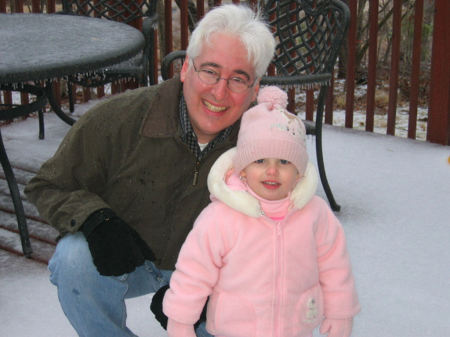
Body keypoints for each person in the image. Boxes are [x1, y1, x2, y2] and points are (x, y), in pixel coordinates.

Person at [24, 4, 275, 337]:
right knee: (74, 260)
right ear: (186, 68)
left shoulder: (268, 144)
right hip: (130, 262)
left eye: (238, 79)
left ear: (255, 89)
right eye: (209, 71)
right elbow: (48, 185)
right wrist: (96, 219)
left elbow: (286, 229)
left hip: (210, 276)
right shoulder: (119, 119)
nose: (219, 91)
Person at [162, 86, 361, 337]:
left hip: (295, 326)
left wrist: (340, 312)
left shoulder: (314, 213)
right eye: (260, 161)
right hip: (234, 328)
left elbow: (335, 266)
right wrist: (181, 319)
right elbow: (194, 270)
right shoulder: (221, 217)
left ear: (299, 171)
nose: (272, 171)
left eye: (284, 162)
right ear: (242, 169)